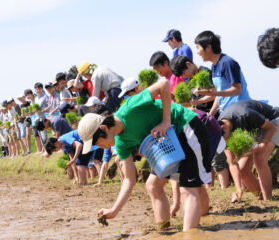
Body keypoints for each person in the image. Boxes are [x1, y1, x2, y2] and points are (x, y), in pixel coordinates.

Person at [78, 79, 211, 231]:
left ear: (103, 128)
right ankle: (164, 230)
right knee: (153, 185)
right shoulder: (121, 143)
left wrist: (166, 121)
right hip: (169, 143)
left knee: (188, 189)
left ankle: (190, 235)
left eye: (98, 142)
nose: (101, 147)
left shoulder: (130, 108)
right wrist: (114, 210)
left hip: (185, 127)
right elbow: (129, 179)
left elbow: (164, 85)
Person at [219, 100, 279, 201]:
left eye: (224, 139)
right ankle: (260, 196)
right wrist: (239, 190)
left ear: (224, 127)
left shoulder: (244, 114)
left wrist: (262, 144)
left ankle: (267, 199)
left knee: (259, 158)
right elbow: (233, 163)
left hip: (273, 121)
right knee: (242, 169)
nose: (225, 142)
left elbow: (271, 128)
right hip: (256, 129)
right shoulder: (219, 133)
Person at [194, 31, 251, 115]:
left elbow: (237, 90)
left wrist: (214, 93)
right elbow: (219, 95)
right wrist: (210, 116)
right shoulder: (214, 66)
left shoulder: (227, 63)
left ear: (208, 47)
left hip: (241, 111)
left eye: (198, 47)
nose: (197, 52)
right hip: (226, 113)